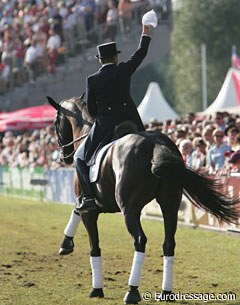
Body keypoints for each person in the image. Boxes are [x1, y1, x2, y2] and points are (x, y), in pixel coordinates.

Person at [59, 9, 158, 254]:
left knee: (81, 158)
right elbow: (141, 53)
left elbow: (91, 109)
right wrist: (146, 31)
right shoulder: (124, 69)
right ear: (115, 58)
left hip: (104, 127)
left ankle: (88, 198)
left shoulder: (92, 80)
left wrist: (100, 118)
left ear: (100, 60)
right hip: (130, 123)